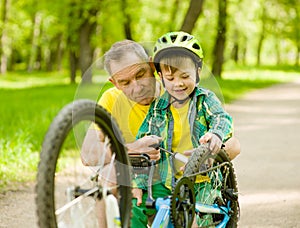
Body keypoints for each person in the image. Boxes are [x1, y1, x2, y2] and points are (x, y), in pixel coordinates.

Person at [131, 31, 240, 227]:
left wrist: (215, 134)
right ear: (161, 77)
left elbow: (222, 118)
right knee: (135, 205)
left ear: (198, 72)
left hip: (203, 180)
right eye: (170, 78)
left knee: (204, 216)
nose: (178, 83)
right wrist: (137, 183)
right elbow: (142, 147)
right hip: (167, 182)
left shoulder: (205, 100)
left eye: (185, 76)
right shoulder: (157, 108)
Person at [81, 40, 163, 228]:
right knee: (108, 174)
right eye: (125, 82)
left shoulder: (175, 90)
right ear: (115, 83)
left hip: (171, 177)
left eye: (140, 75)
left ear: (151, 66)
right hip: (133, 175)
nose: (136, 87)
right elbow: (87, 154)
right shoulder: (111, 98)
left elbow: (231, 145)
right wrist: (130, 150)